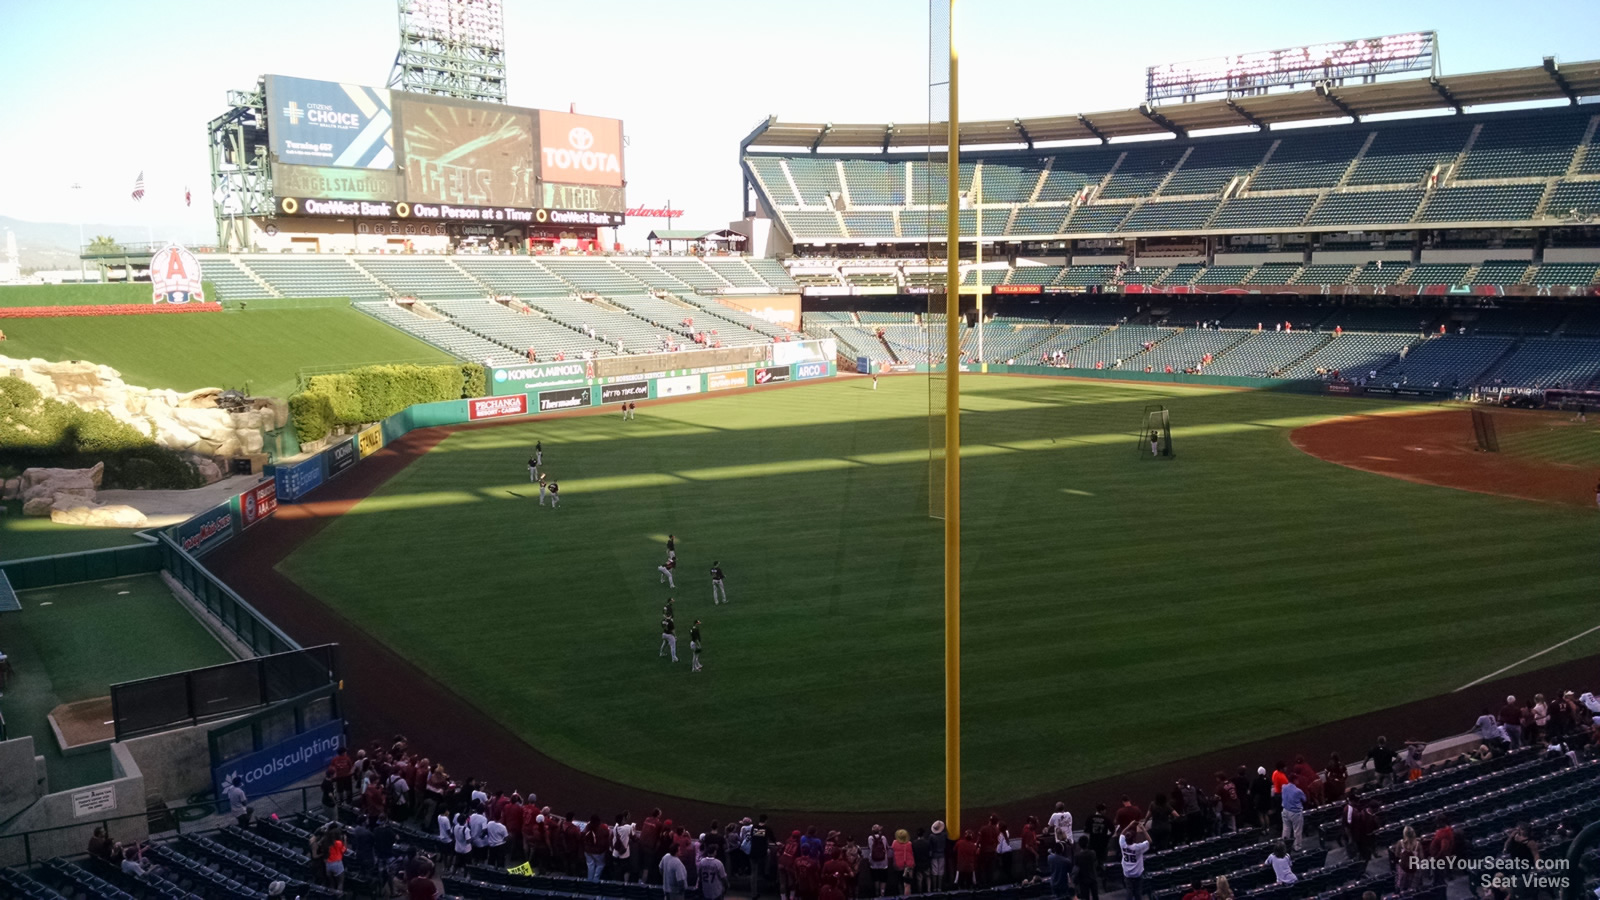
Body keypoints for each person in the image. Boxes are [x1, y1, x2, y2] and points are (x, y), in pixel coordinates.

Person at [1118, 824, 1151, 900]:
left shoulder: (1123, 844)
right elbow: (1149, 841)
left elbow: (1122, 833)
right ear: (1134, 839)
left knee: (1129, 892)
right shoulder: (1138, 847)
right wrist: (1143, 828)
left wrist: (1129, 825)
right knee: (1138, 892)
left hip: (1127, 873)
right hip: (1137, 874)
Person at [583, 814, 612, 881]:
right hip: (598, 852)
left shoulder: (588, 826)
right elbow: (606, 839)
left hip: (587, 851)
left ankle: (589, 880)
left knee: (590, 865)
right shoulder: (603, 828)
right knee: (600, 865)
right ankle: (595, 880)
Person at [1279, 778, 1305, 851]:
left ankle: (1283, 847)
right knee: (1297, 830)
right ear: (1295, 780)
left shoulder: (1283, 787)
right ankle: (1297, 847)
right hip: (1295, 813)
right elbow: (1304, 799)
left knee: (1286, 829)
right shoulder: (1298, 791)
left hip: (1285, 811)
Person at [866, 825, 892, 896]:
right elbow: (887, 848)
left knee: (876, 879)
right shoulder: (883, 837)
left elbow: (869, 847)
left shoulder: (870, 838)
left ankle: (877, 893)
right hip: (883, 863)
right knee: (883, 879)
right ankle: (882, 894)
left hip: (873, 863)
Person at [1072, 835, 1098, 900]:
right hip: (1093, 877)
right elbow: (1095, 863)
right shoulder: (1092, 853)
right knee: (1095, 896)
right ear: (1087, 843)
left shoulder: (1077, 856)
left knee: (1085, 897)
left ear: (1079, 845)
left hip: (1083, 880)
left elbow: (1076, 868)